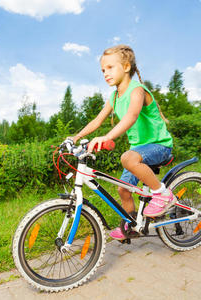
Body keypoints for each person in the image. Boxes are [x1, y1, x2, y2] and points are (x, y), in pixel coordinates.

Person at [68, 45, 175, 240]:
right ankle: (132, 224)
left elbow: (132, 116)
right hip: (140, 149)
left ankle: (161, 193)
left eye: (110, 67)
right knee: (123, 188)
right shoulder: (114, 97)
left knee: (127, 158)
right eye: (102, 70)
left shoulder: (137, 90)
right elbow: (97, 121)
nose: (105, 73)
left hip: (160, 146)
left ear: (126, 67)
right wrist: (75, 137)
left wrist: (107, 137)